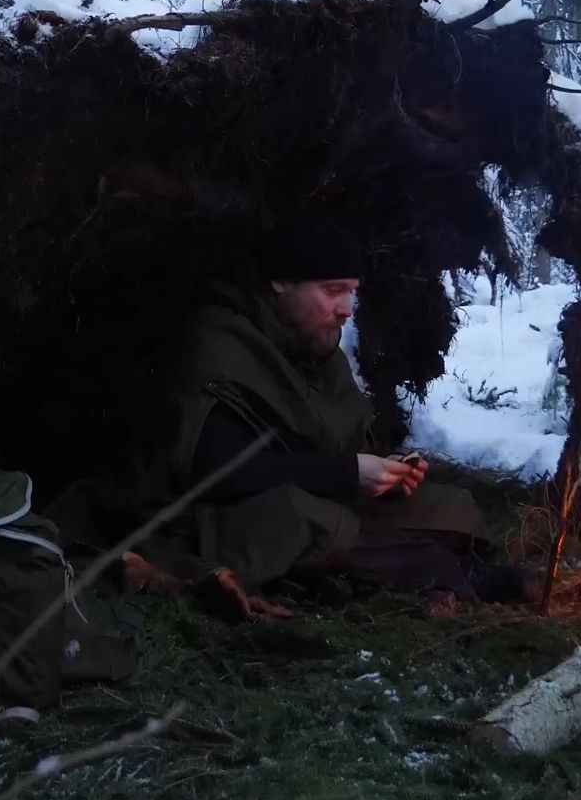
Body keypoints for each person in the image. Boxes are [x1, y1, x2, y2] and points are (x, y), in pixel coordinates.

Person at [136, 214, 533, 613]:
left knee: (453, 507)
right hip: (209, 516)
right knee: (306, 520)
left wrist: (383, 471)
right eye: (332, 291)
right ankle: (450, 574)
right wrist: (345, 473)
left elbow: (335, 433)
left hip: (314, 492)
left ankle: (426, 566)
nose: (346, 309)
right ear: (281, 283)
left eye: (351, 292)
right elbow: (216, 473)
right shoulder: (221, 346)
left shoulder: (312, 344)